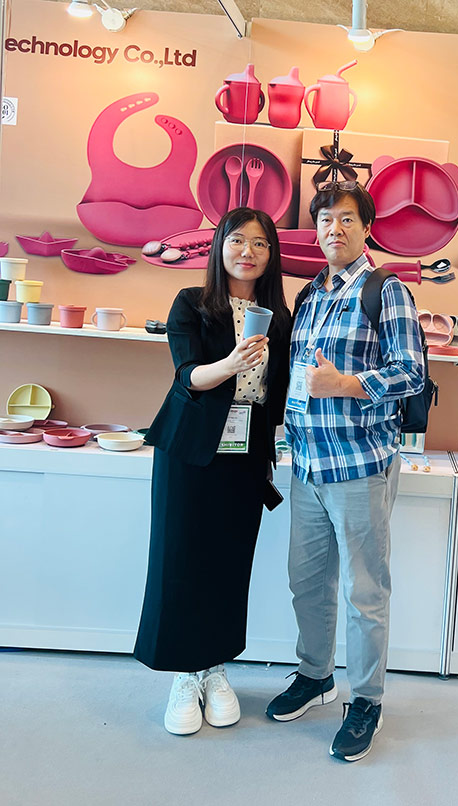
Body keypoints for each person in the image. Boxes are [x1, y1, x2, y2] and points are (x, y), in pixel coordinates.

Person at [266, 181, 424, 762]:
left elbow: (411, 372)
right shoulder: (309, 294)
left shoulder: (387, 291)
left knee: (364, 592)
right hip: (307, 464)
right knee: (306, 581)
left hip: (359, 466)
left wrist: (346, 384)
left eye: (347, 219)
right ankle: (315, 675)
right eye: (326, 220)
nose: (335, 229)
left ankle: (366, 701)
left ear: (366, 228)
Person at [134, 207, 291, 735]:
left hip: (246, 452)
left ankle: (215, 668)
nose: (249, 251)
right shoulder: (192, 303)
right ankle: (185, 674)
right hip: (190, 449)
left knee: (229, 561)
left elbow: (279, 391)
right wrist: (231, 363)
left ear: (271, 255)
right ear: (219, 245)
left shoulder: (280, 317)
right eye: (238, 240)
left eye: (261, 243)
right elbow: (187, 376)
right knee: (179, 558)